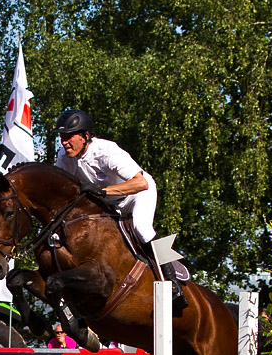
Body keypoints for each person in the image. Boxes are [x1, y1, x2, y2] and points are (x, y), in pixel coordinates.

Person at [52, 109, 187, 308]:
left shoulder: (107, 151)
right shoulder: (64, 159)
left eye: (68, 137)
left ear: (86, 136)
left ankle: (172, 279)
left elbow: (140, 183)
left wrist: (102, 191)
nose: (64, 143)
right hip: (111, 204)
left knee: (142, 228)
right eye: (62, 137)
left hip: (136, 194)